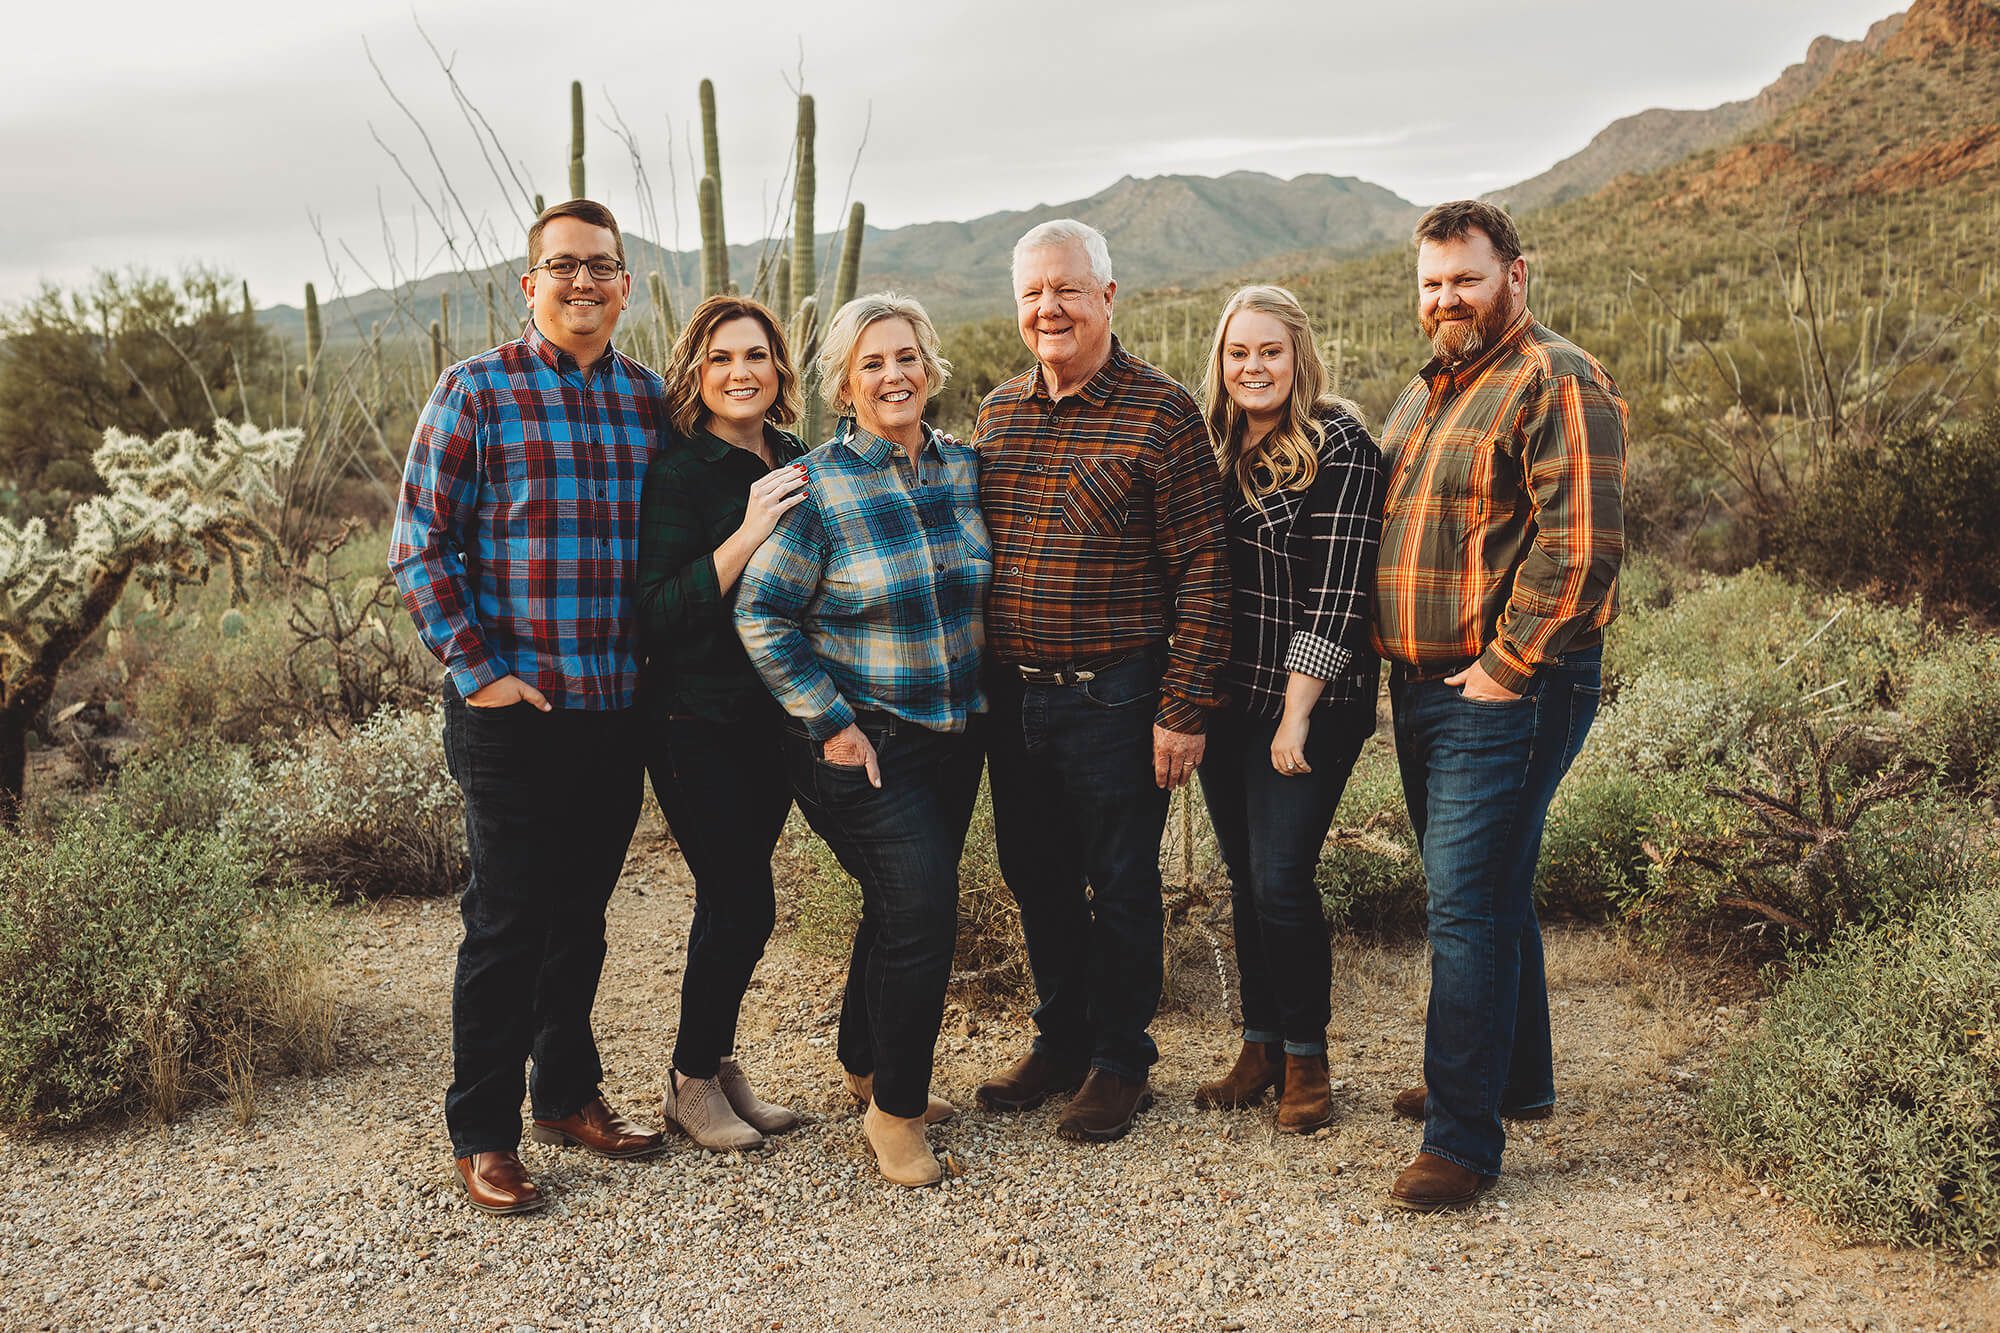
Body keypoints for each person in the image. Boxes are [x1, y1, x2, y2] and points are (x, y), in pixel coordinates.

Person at [390, 199, 668, 1216]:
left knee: (581, 919)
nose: (582, 283)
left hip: (613, 703)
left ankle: (565, 1095)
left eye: (600, 267)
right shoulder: (477, 390)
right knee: (507, 920)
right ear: (530, 284)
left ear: (625, 284)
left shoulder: (647, 401)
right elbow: (418, 543)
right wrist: (479, 669)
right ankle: (483, 1132)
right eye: (563, 267)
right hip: (512, 708)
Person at [1372, 200, 1626, 1211]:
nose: (1445, 299)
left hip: (1504, 687)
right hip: (1426, 687)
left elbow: (1580, 546)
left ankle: (1461, 1137)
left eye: (1464, 280)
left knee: (1463, 903)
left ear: (1514, 275)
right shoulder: (1428, 390)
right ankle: (1511, 1081)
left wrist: (1506, 666)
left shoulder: (1554, 376)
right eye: (1431, 283)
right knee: (1492, 885)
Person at [973, 219, 1230, 1142]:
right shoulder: (999, 412)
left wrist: (1184, 706)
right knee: (1033, 873)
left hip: (1113, 695)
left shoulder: (1162, 414)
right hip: (1015, 697)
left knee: (1119, 881)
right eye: (1035, 294)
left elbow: (1205, 565)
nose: (1050, 309)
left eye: (1068, 290)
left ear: (1108, 298)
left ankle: (1121, 1060)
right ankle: (1061, 1037)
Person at [734, 292, 989, 1188]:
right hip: (859, 740)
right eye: (873, 362)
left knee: (898, 903)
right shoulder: (820, 487)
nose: (894, 375)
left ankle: (866, 1061)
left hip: (953, 735)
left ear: (931, 367)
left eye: (907, 357)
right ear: (845, 384)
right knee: (923, 911)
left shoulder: (962, 467)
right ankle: (897, 1113)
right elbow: (761, 612)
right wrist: (831, 721)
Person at [1190, 285, 1383, 1134]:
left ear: (1300, 355)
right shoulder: (1217, 445)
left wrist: (1296, 712)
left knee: (1280, 876)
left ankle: (1309, 1057)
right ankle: (1260, 1045)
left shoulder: (1338, 442)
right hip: (1233, 698)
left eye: (1270, 351)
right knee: (1245, 877)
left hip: (1313, 699)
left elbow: (1340, 591)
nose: (1253, 367)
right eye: (1239, 353)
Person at [636, 295, 811, 1152]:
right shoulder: (678, 473)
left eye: (755, 355)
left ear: (779, 367)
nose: (740, 372)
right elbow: (659, 613)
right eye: (719, 359)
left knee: (731, 899)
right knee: (743, 898)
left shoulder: (801, 459)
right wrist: (746, 532)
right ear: (696, 377)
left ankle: (715, 1065)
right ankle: (689, 1078)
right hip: (691, 718)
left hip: (774, 716)